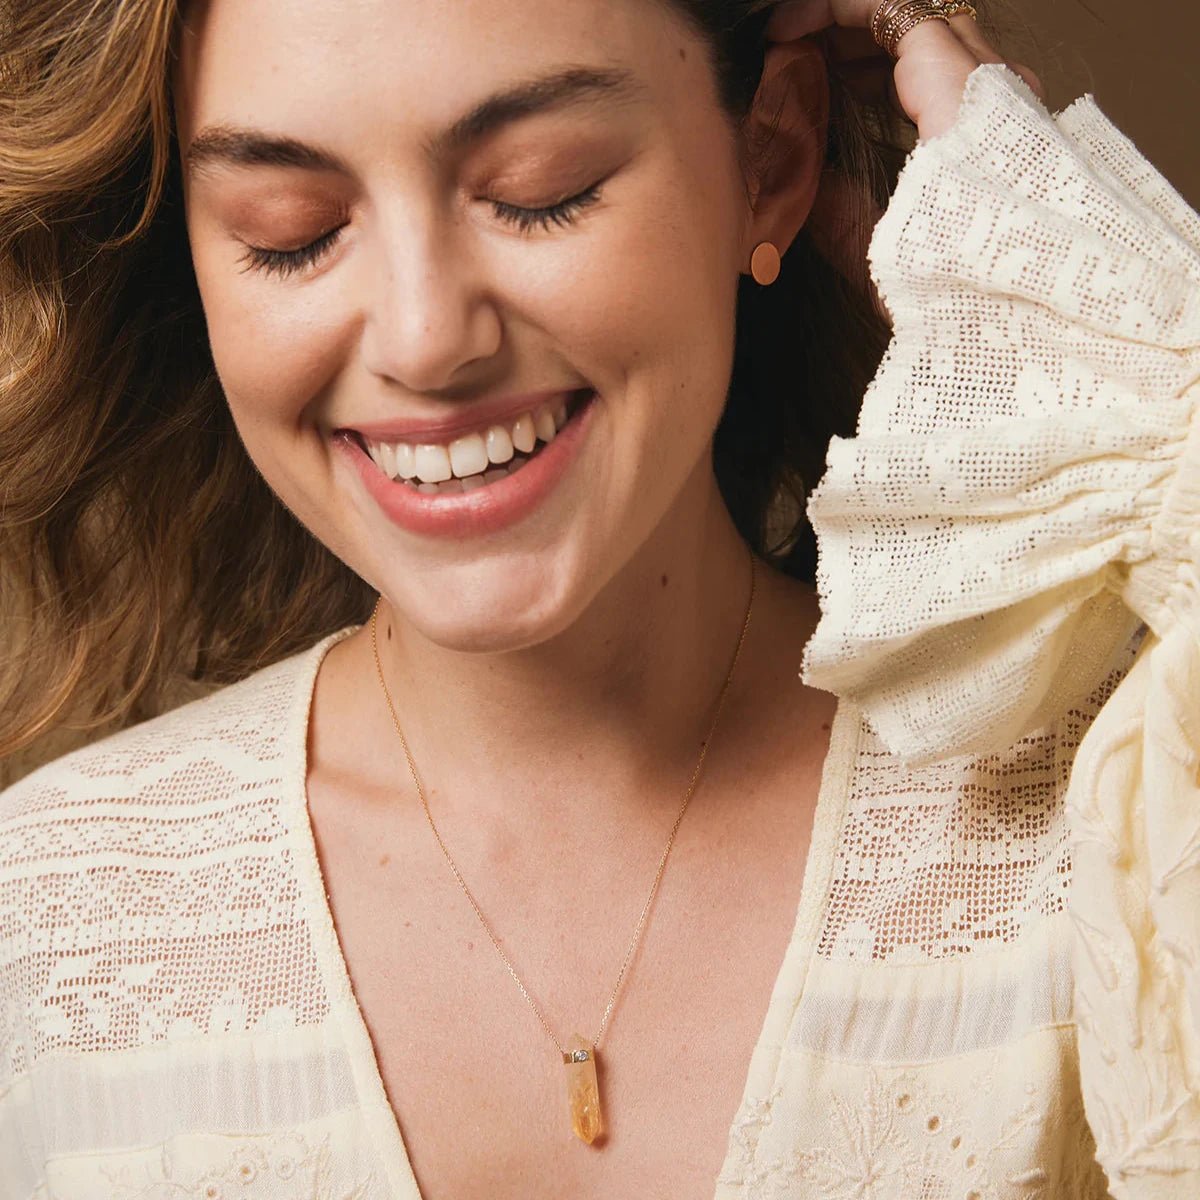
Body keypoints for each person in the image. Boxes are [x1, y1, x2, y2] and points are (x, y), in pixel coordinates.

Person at [0, 0, 1195, 1197]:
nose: (425, 341)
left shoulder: (1125, 811)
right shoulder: (47, 931)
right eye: (291, 233)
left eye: (539, 189)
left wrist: (1124, 318)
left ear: (768, 157)